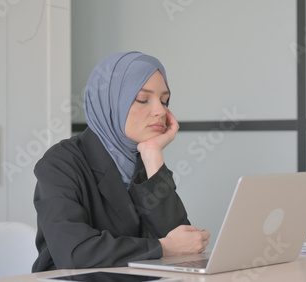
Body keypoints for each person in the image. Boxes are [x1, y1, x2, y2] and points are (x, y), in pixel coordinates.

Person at [32, 51, 210, 272]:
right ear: (111, 102)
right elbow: (75, 252)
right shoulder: (60, 163)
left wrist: (153, 155)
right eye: (143, 99)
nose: (159, 111)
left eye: (164, 101)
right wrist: (162, 248)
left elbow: (183, 243)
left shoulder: (143, 158)